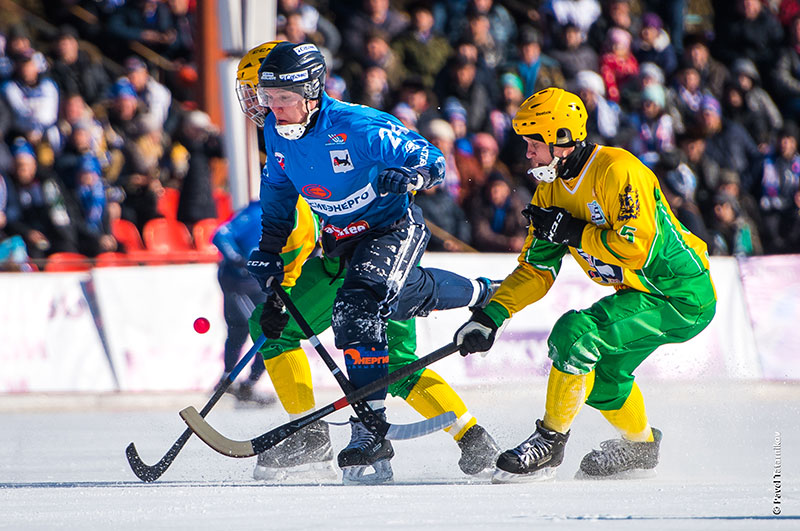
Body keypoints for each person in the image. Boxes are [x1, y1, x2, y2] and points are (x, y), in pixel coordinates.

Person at [234, 42, 500, 483]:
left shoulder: (358, 126)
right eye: (268, 99)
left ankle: (444, 434)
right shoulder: (277, 132)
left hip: (391, 233)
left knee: (382, 339)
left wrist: (413, 175)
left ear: (312, 91)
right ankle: (311, 437)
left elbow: (430, 159)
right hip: (341, 253)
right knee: (270, 326)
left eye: (283, 99)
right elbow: (278, 198)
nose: (274, 110)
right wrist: (267, 252)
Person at [454, 87, 717, 482]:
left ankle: (549, 443)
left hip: (681, 294)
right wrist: (490, 315)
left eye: (533, 144)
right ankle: (641, 447)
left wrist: (575, 232)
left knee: (576, 335)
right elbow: (536, 270)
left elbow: (636, 247)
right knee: (601, 380)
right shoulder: (549, 191)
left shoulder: (617, 170)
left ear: (561, 139)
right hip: (642, 294)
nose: (527, 154)